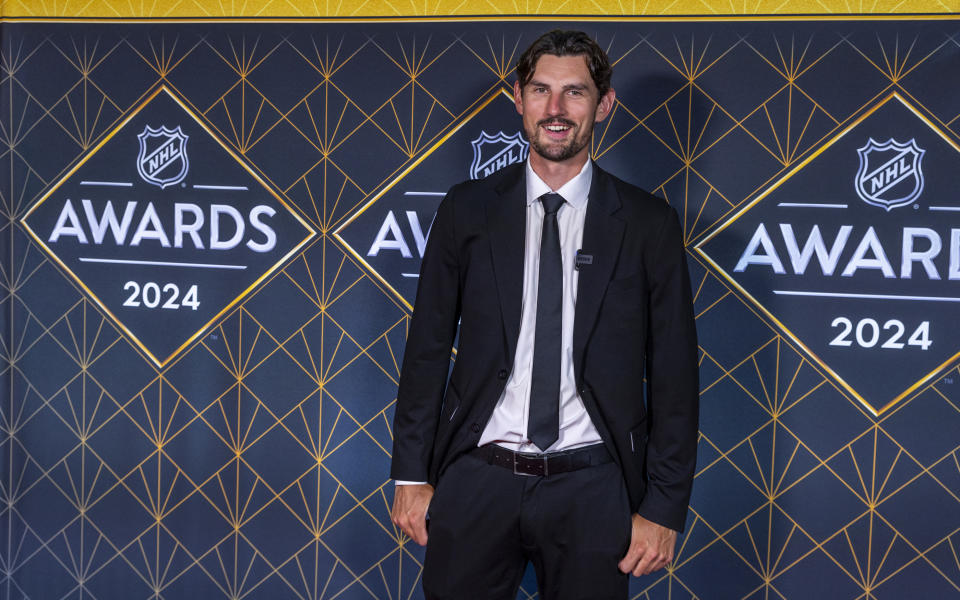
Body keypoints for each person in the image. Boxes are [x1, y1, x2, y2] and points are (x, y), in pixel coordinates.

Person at [390, 29, 699, 600]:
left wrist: (664, 506)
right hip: (477, 475)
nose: (555, 110)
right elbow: (426, 349)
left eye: (574, 93)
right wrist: (411, 474)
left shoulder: (649, 225)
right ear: (519, 99)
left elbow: (677, 378)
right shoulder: (467, 209)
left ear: (604, 105)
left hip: (595, 486)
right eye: (541, 91)